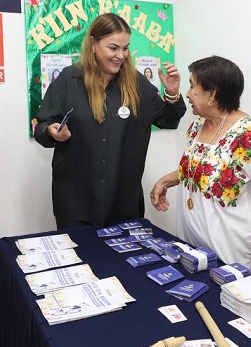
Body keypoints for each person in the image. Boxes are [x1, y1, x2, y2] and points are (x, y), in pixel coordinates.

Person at [34, 13, 187, 229]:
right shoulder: (69, 79)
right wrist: (52, 131)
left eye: (125, 48)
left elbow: (168, 120)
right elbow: (42, 126)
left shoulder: (136, 83)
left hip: (123, 203)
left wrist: (172, 93)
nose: (120, 55)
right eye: (113, 48)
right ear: (93, 44)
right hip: (76, 203)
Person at [150, 56, 251, 270]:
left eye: (192, 86)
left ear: (212, 94)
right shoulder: (198, 125)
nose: (188, 94)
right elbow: (200, 166)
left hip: (232, 258)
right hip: (194, 252)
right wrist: (165, 180)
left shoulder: (249, 135)